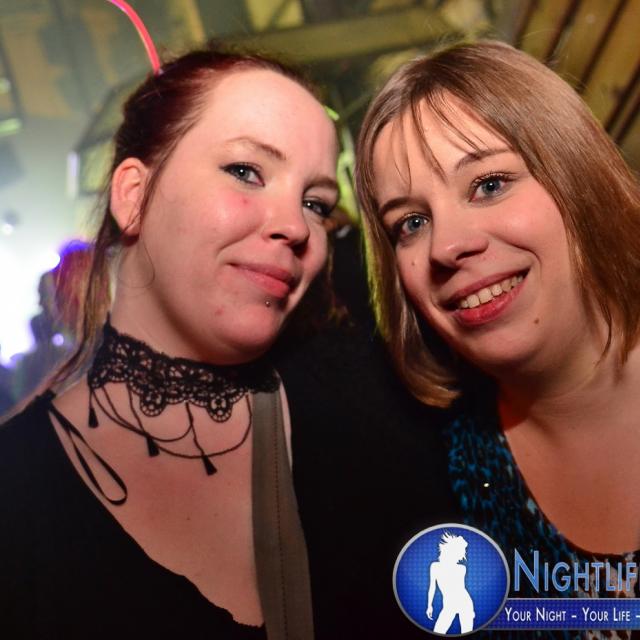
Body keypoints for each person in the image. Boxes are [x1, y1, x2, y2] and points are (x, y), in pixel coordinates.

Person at [0, 45, 340, 639]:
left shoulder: (364, 400)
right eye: (246, 171)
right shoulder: (15, 495)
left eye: (316, 204)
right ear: (134, 195)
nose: (295, 225)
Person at [356, 40, 640, 639]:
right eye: (411, 223)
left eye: (488, 184)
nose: (446, 246)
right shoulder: (430, 475)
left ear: (577, 175)